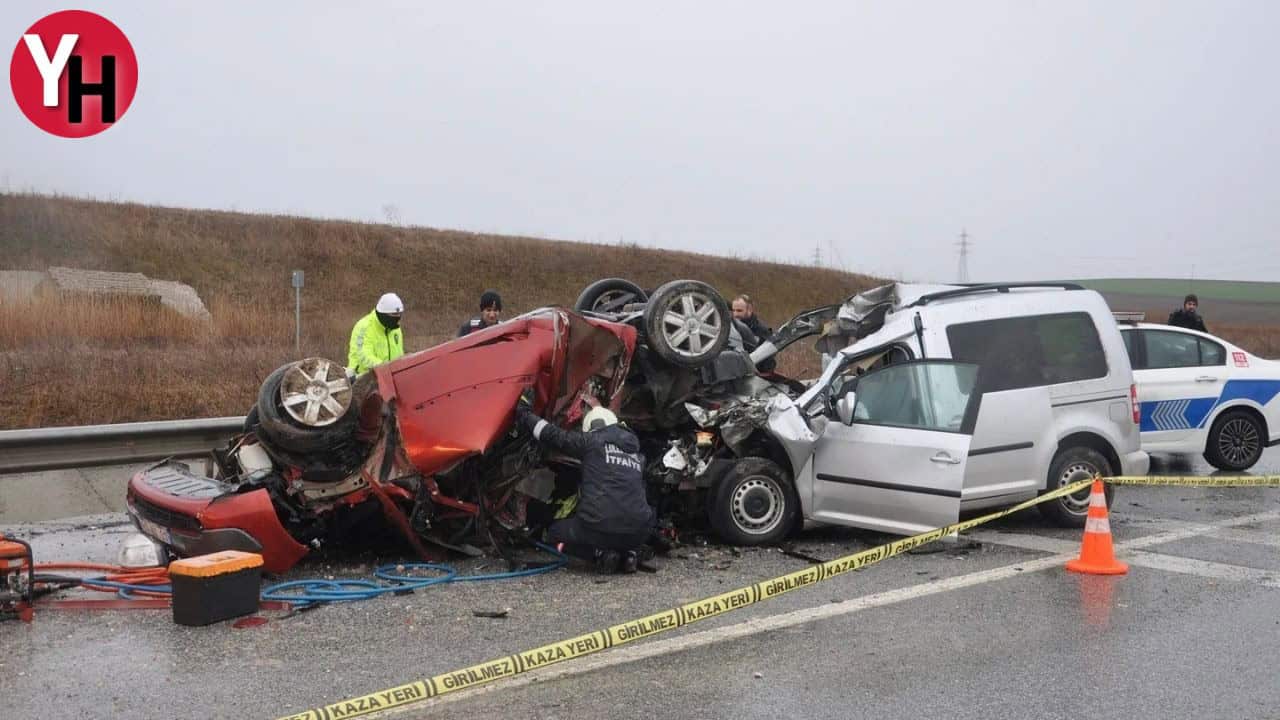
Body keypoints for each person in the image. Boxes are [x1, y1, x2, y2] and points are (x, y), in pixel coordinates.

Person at [515, 392, 654, 573]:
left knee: (552, 534)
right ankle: (629, 555)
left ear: (593, 427)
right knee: (623, 526)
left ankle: (598, 555)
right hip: (639, 531)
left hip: (598, 527)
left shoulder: (592, 441)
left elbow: (551, 434)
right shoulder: (638, 455)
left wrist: (524, 413)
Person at [347, 293, 405, 374]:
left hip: (389, 377)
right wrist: (386, 367)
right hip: (363, 379)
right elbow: (363, 356)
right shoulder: (364, 327)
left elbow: (399, 354)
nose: (397, 318)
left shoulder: (395, 329)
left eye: (399, 314)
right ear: (383, 314)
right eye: (394, 315)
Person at [731, 294, 777, 372]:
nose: (735, 314)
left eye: (739, 311)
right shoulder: (731, 328)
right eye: (733, 310)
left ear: (750, 310)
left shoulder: (762, 331)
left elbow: (769, 359)